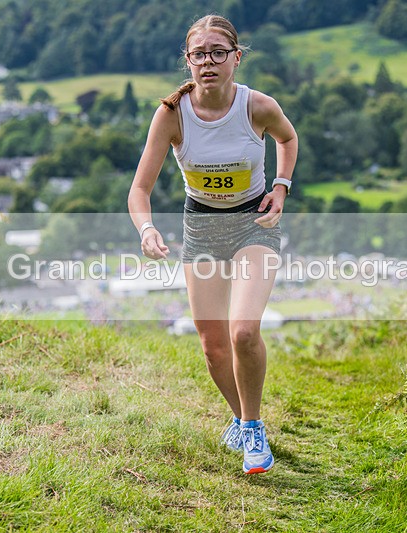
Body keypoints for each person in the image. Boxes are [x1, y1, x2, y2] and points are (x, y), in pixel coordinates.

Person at [127, 14, 297, 475]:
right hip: (201, 228)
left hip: (253, 224)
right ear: (188, 61)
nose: (208, 62)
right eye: (199, 54)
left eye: (218, 53)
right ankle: (241, 419)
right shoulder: (171, 115)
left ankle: (254, 429)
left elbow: (287, 137)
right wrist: (146, 229)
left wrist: (281, 186)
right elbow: (139, 189)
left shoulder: (257, 106)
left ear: (236, 58)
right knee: (213, 346)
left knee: (243, 331)